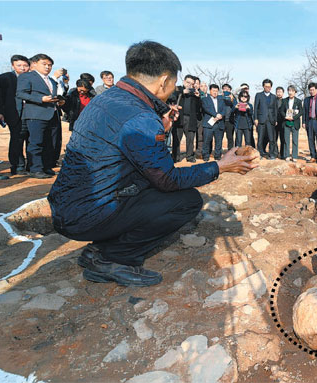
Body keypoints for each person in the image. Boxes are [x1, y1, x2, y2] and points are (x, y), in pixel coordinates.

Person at [48, 41, 258, 287]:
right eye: (173, 83)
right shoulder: (140, 118)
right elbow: (168, 179)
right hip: (86, 216)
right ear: (163, 80)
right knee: (186, 202)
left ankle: (100, 249)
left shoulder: (109, 99)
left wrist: (160, 127)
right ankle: (112, 259)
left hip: (68, 207)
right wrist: (220, 166)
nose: (173, 89)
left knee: (151, 188)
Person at [16, 53, 64, 179]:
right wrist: (41, 99)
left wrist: (59, 101)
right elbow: (21, 94)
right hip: (36, 114)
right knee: (36, 142)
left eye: (50, 65)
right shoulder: (27, 77)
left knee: (50, 143)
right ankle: (35, 168)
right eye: (44, 64)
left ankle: (46, 166)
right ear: (34, 64)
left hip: (52, 113)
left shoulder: (52, 81)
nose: (47, 67)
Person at [0, 54, 30, 179]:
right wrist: (0, 112)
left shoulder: (31, 78)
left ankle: (31, 165)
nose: (22, 68)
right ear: (13, 65)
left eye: (25, 65)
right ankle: (17, 166)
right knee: (17, 139)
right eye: (19, 65)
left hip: (31, 114)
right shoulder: (4, 78)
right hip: (14, 113)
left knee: (31, 140)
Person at [177, 74, 202, 162]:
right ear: (184, 82)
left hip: (190, 118)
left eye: (191, 84)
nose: (189, 85)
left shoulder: (194, 93)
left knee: (190, 138)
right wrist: (182, 92)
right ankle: (175, 157)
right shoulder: (178, 89)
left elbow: (199, 108)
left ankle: (190, 156)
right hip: (179, 118)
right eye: (188, 82)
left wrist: (198, 97)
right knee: (177, 138)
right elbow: (172, 96)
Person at [201, 84, 227, 161]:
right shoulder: (205, 99)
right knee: (206, 141)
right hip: (209, 124)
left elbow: (224, 110)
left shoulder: (221, 99)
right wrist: (216, 114)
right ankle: (205, 156)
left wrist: (221, 115)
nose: (215, 92)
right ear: (210, 91)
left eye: (216, 91)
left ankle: (217, 156)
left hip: (219, 123)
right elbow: (206, 108)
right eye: (213, 91)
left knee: (219, 141)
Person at [254, 79, 278, 159]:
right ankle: (260, 154)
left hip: (271, 120)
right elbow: (256, 108)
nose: (267, 88)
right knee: (260, 138)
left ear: (271, 87)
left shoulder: (274, 97)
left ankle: (271, 154)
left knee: (271, 138)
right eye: (266, 86)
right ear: (263, 86)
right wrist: (256, 118)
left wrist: (276, 120)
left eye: (269, 86)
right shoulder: (258, 95)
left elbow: (275, 109)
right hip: (261, 119)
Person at [279, 85, 303, 161]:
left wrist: (294, 117)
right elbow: (281, 111)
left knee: (295, 140)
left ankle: (294, 156)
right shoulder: (284, 100)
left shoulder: (298, 101)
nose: (290, 92)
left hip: (295, 123)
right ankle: (287, 155)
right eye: (289, 91)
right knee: (286, 140)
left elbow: (301, 112)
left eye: (292, 91)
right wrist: (285, 117)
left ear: (295, 92)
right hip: (286, 122)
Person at [222, 83, 236, 150]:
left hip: (230, 121)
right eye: (224, 89)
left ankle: (230, 152)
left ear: (230, 90)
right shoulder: (220, 97)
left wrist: (232, 100)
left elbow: (235, 108)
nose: (226, 90)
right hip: (221, 120)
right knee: (219, 137)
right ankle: (218, 153)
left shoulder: (233, 98)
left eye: (228, 89)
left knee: (230, 137)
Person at [274, 86, 285, 158]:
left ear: (283, 93)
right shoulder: (273, 100)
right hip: (274, 122)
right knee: (274, 139)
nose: (279, 93)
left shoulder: (285, 101)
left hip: (283, 122)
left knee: (283, 139)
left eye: (280, 92)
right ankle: (275, 153)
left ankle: (282, 154)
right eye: (277, 92)